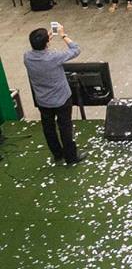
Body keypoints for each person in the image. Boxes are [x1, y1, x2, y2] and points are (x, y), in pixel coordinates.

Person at [24, 26, 85, 165]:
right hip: (61, 99)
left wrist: (46, 40)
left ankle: (57, 154)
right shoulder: (53, 57)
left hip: (43, 100)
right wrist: (63, 35)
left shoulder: (27, 57)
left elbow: (38, 51)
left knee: (48, 128)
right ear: (47, 42)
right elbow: (75, 49)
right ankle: (71, 157)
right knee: (65, 127)